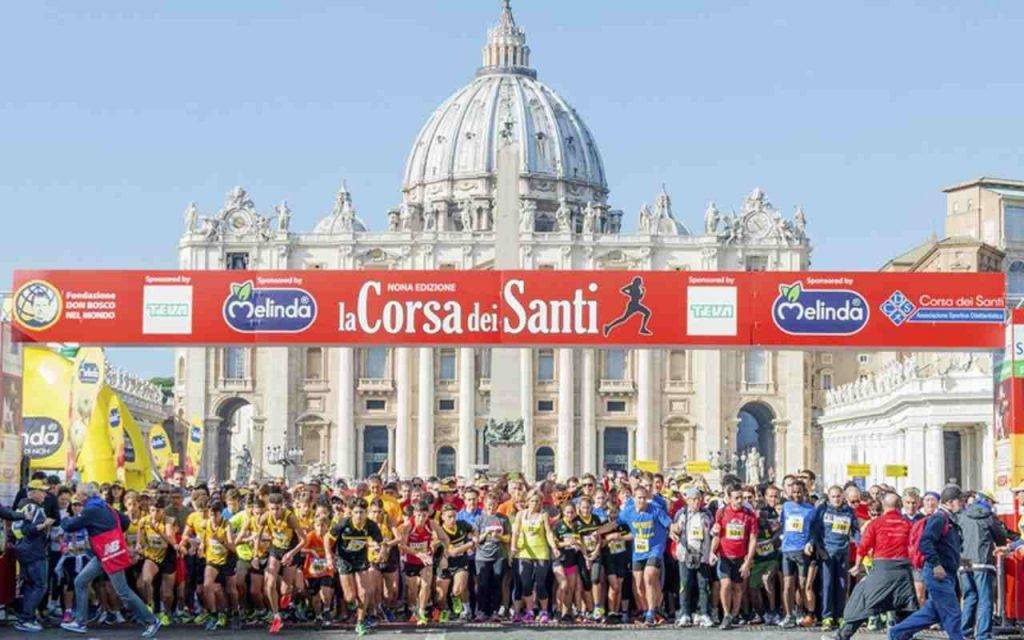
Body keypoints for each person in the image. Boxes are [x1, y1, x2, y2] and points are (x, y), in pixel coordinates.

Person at [59, 482, 161, 638]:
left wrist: (64, 517)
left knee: (123, 592)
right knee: (80, 581)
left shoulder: (90, 510)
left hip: (109, 553)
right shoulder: (105, 506)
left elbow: (70, 526)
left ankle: (151, 621)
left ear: (85, 496)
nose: (77, 497)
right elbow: (125, 522)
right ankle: (80, 622)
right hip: (105, 553)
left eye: (78, 494)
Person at [826, 491, 916, 640]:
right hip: (903, 571)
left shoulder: (876, 523)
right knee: (905, 606)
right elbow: (915, 547)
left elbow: (863, 546)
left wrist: (857, 565)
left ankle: (842, 636)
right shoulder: (907, 523)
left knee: (862, 601)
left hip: (882, 570)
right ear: (900, 506)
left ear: (883, 506)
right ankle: (905, 636)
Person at [889, 485, 966, 640]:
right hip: (938, 573)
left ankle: (897, 632)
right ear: (950, 502)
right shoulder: (939, 518)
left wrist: (961, 560)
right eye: (960, 501)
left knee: (931, 613)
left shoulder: (948, 519)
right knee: (953, 611)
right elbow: (925, 542)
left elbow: (945, 546)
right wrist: (936, 564)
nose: (963, 504)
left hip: (946, 572)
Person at [958, 491, 1007, 640]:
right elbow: (1000, 538)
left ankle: (965, 632)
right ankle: (983, 634)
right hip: (983, 562)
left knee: (969, 597)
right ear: (988, 501)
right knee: (985, 599)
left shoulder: (962, 515)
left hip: (964, 562)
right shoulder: (989, 516)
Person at [711, 485, 758, 630]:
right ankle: (726, 614)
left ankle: (735, 614)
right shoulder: (722, 512)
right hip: (724, 555)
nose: (740, 501)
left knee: (738, 588)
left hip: (740, 557)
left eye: (742, 498)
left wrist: (748, 562)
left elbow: (753, 539)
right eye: (736, 498)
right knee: (725, 585)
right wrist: (711, 552)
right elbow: (717, 534)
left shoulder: (749, 515)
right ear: (729, 498)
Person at [11, 478, 54, 632]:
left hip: (25, 550)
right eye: (42, 491)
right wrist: (46, 524)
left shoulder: (22, 505)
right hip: (33, 551)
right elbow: (27, 530)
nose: (45, 494)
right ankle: (25, 619)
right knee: (40, 585)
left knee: (30, 585)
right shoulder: (32, 507)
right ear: (33, 492)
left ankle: (25, 617)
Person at [815, 484, 859, 632]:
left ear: (843, 497)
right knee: (827, 585)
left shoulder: (849, 511)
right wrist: (818, 548)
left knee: (842, 585)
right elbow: (815, 531)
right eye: (833, 496)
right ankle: (827, 616)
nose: (836, 499)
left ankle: (840, 615)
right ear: (829, 497)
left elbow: (855, 531)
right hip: (827, 553)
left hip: (843, 552)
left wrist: (862, 545)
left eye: (839, 496)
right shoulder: (822, 510)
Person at [671, 486, 714, 628]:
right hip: (685, 554)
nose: (696, 502)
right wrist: (674, 529)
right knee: (685, 584)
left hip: (703, 554)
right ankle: (684, 613)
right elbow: (674, 529)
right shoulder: (681, 513)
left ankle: (704, 613)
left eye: (698, 499)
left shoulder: (707, 514)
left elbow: (712, 532)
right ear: (688, 500)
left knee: (703, 585)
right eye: (693, 499)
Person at [779, 479, 818, 627]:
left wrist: (810, 543)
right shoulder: (786, 506)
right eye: (794, 492)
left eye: (799, 492)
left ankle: (800, 612)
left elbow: (815, 531)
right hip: (787, 551)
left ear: (804, 492)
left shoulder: (810, 509)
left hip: (802, 551)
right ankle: (789, 615)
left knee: (802, 585)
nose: (796, 495)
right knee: (788, 585)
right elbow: (782, 525)